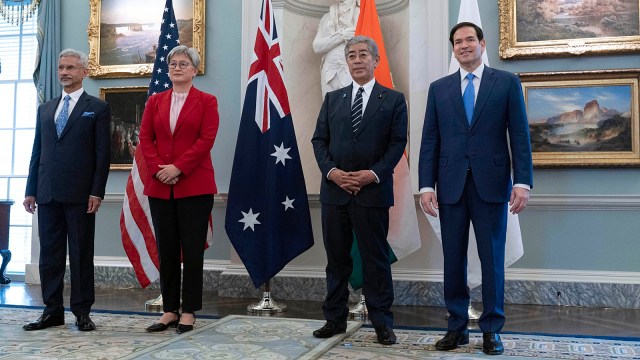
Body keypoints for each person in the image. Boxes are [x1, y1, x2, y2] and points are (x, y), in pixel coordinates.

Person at [418, 22, 533, 355]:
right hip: (450, 187)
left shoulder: (507, 83)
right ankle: (456, 327)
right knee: (453, 260)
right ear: (453, 49)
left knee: (492, 260)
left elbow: (520, 136)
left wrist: (522, 181)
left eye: (470, 40)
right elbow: (430, 141)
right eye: (458, 42)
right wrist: (426, 186)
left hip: (492, 186)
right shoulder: (439, 89)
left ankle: (491, 330)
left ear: (482, 44)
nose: (464, 46)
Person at [311, 35, 407, 345]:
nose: (356, 60)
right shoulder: (333, 99)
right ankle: (335, 319)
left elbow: (397, 144)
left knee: (375, 260)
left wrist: (373, 174)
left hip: (372, 192)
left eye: (363, 54)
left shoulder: (393, 99)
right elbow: (319, 142)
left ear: (375, 60)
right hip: (335, 192)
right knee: (336, 260)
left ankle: (381, 322)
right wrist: (333, 172)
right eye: (351, 55)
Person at [23, 49, 111, 332]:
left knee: (81, 254)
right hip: (47, 194)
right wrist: (31, 189)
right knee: (50, 256)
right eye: (61, 67)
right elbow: (38, 151)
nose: (64, 72)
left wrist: (97, 192)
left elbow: (102, 155)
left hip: (81, 196)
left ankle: (82, 312)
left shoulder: (96, 108)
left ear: (84, 72)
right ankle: (52, 311)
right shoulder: (45, 108)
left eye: (71, 67)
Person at [138, 45, 218, 334]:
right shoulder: (155, 101)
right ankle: (170, 309)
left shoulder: (207, 101)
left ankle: (189, 311)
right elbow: (145, 139)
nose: (177, 67)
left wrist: (178, 168)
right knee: (167, 250)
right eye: (173, 63)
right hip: (160, 185)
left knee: (193, 251)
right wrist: (160, 168)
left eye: (184, 63)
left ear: (194, 70)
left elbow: (205, 140)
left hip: (195, 186)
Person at [313, 0, 360, 97]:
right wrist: (341, 36)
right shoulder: (327, 17)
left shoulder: (363, 13)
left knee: (352, 107)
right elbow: (317, 47)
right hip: (329, 69)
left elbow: (371, 45)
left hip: (353, 67)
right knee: (330, 108)